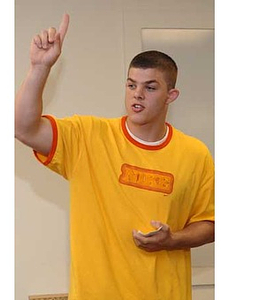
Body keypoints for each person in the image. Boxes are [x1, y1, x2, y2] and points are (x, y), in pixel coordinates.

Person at [15, 13, 214, 300]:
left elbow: (211, 224)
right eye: (131, 85)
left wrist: (172, 240)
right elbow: (23, 128)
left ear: (171, 96)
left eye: (150, 87)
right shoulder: (88, 136)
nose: (137, 94)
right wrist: (39, 67)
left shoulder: (195, 154)